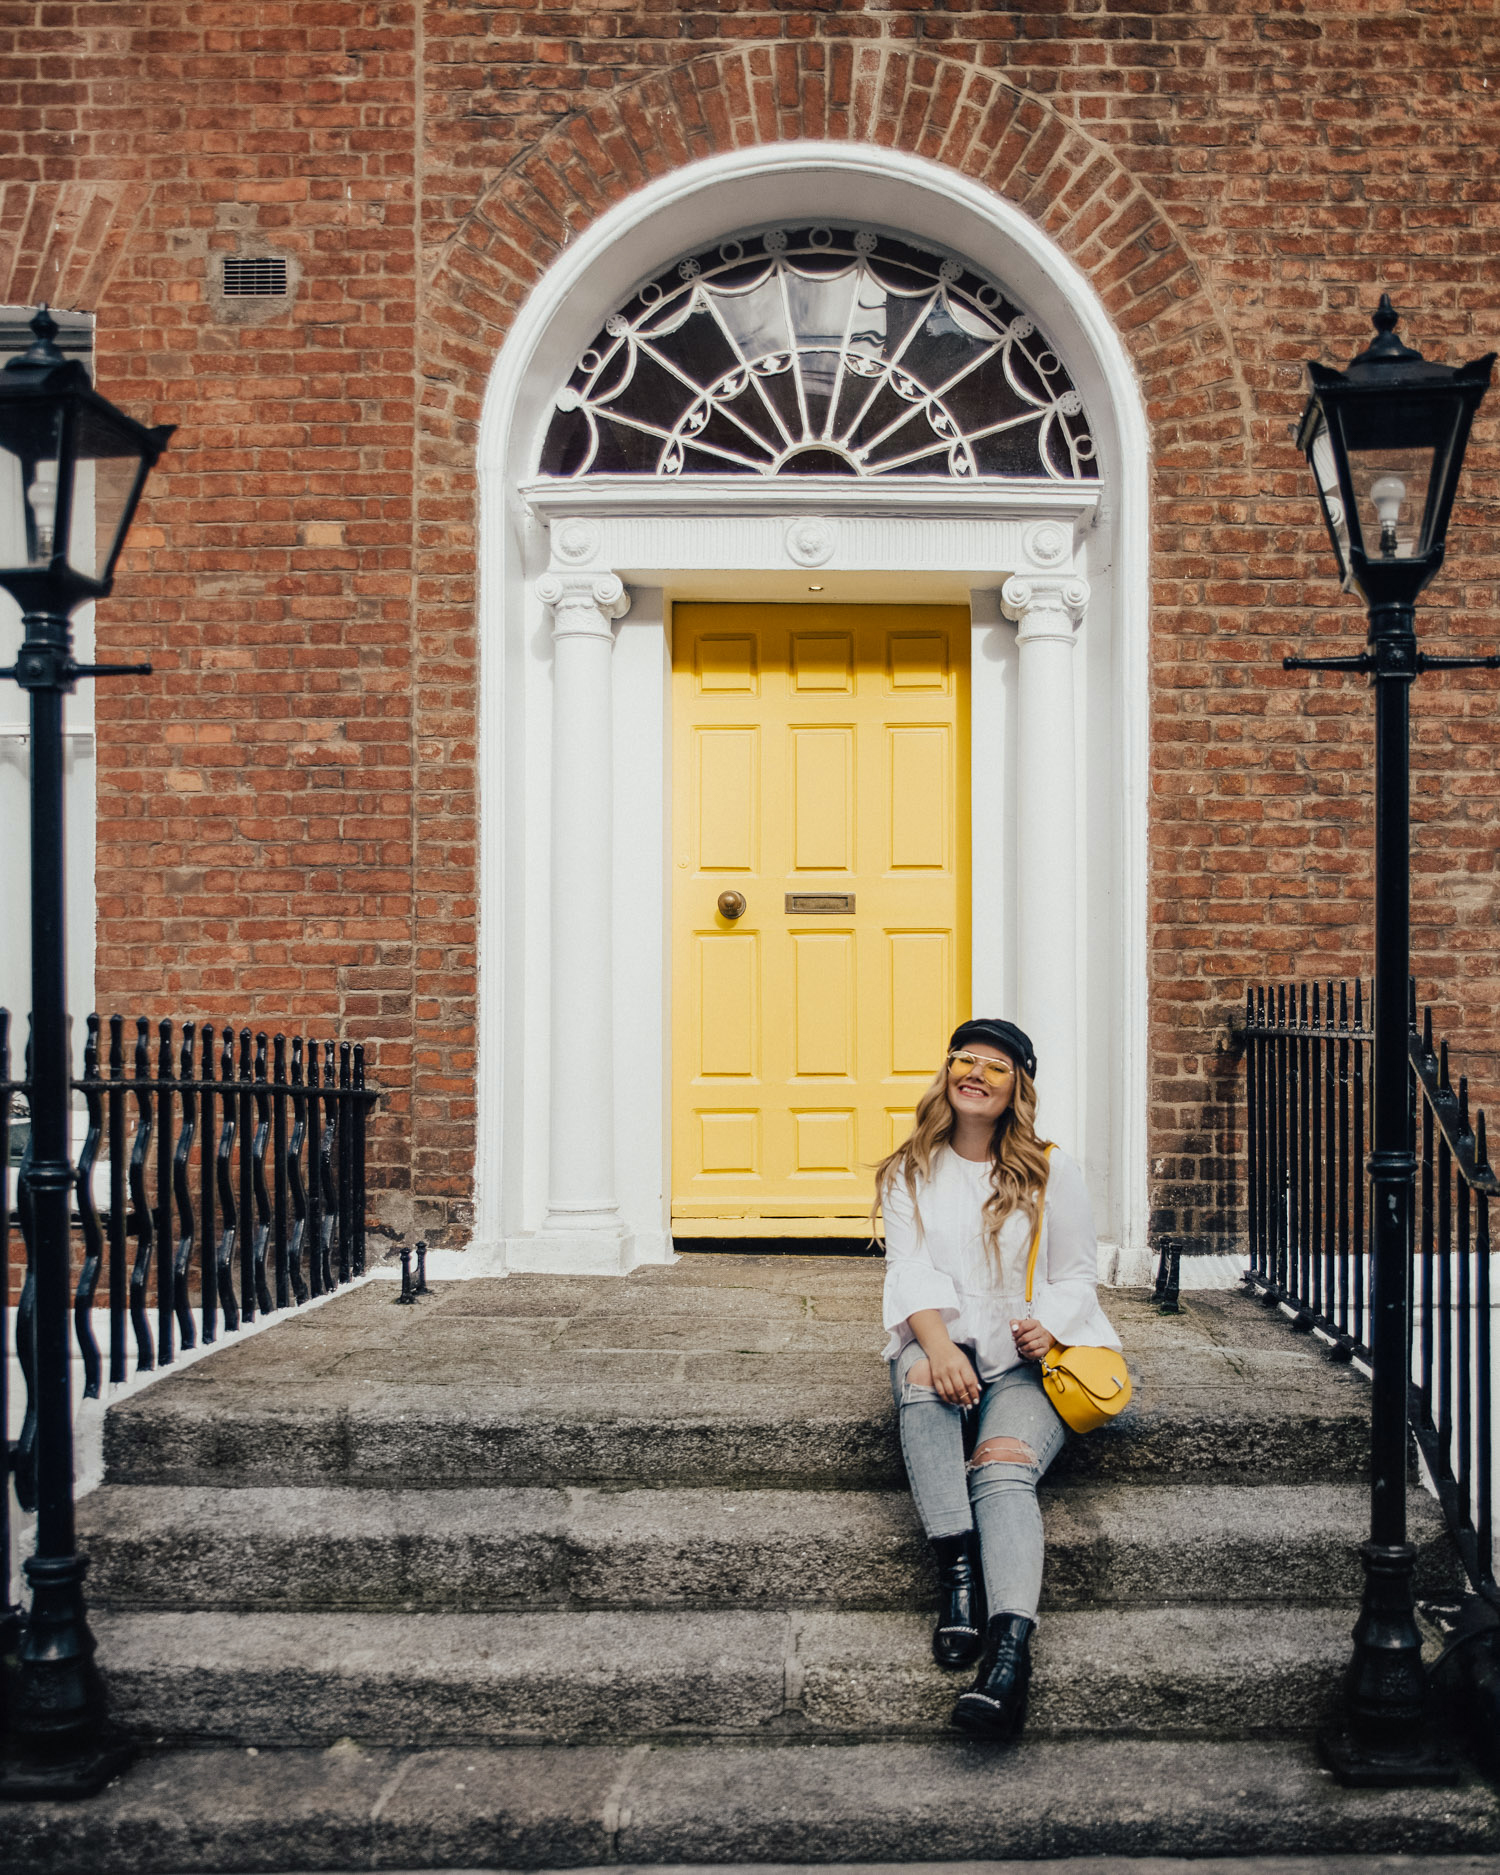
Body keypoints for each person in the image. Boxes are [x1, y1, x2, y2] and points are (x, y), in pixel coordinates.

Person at [872, 1016, 1121, 1742]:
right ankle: (958, 1579)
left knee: (1003, 1467)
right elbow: (908, 1270)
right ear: (946, 1073)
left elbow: (1076, 1270)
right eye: (963, 1059)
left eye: (995, 1066)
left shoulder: (1049, 1167)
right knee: (920, 1374)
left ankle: (1008, 1655)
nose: (974, 1073)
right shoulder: (908, 1169)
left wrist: (1051, 1321)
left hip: (1023, 1359)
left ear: (1019, 1087)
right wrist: (940, 1343)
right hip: (942, 1338)